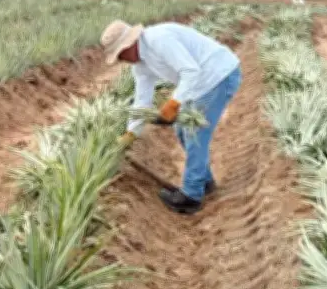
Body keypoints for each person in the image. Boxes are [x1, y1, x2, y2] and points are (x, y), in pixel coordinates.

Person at [102, 20, 241, 215]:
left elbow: (191, 71)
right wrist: (131, 133)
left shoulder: (159, 40)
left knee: (194, 134)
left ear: (129, 44)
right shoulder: (140, 65)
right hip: (200, 83)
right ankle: (203, 180)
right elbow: (142, 100)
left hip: (217, 76)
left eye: (120, 54)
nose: (121, 59)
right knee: (181, 129)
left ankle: (192, 197)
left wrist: (174, 103)